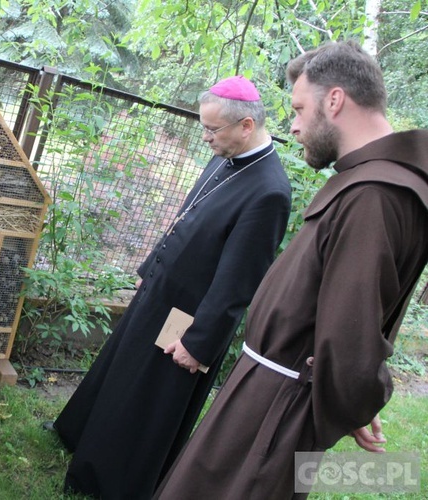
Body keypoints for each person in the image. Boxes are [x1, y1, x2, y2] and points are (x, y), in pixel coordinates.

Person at [155, 41, 428, 500]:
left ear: (335, 100)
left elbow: (353, 330)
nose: (294, 125)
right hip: (274, 387)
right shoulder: (372, 184)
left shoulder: (375, 195)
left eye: (300, 108)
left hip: (278, 404)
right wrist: (355, 397)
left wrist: (357, 396)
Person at [49, 76, 292, 499]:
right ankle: (79, 437)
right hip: (161, 292)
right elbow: (187, 217)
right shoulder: (224, 156)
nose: (205, 138)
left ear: (246, 125)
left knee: (144, 402)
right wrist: (151, 268)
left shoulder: (270, 191)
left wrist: (198, 343)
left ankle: (107, 482)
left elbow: (237, 282)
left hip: (188, 317)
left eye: (212, 130)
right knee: (118, 375)